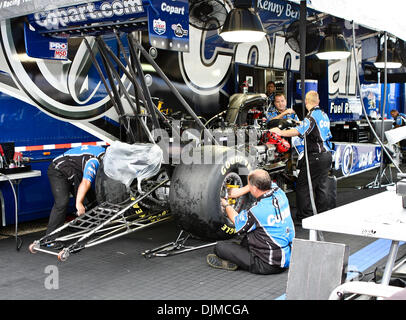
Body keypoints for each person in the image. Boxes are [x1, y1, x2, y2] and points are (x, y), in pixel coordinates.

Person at [206, 169, 295, 274]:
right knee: (246, 238)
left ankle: (238, 262)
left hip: (267, 264)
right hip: (288, 257)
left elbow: (236, 220)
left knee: (220, 247)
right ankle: (240, 255)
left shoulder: (257, 211)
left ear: (254, 187)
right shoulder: (280, 194)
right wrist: (238, 192)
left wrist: (225, 204)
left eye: (249, 185)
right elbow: (263, 182)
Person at [270, 91, 333, 225]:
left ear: (306, 102)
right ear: (318, 101)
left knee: (303, 186)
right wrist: (299, 122)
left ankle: (305, 217)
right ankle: (323, 214)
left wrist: (280, 132)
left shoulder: (311, 117)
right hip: (326, 155)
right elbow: (313, 128)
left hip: (315, 156)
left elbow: (299, 131)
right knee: (321, 186)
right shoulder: (323, 114)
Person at [45, 145, 106, 237]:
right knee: (62, 203)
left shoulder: (106, 153)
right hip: (58, 170)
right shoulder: (94, 162)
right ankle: (49, 238)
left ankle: (86, 226)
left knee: (91, 199)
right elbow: (85, 182)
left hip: (74, 169)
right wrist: (79, 203)